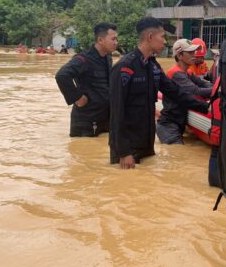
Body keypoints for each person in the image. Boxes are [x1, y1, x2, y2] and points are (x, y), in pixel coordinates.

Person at [109, 17, 208, 169]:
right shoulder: (124, 68)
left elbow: (175, 92)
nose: (164, 41)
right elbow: (116, 112)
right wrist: (123, 152)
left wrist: (206, 107)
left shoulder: (152, 66)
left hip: (147, 142)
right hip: (128, 148)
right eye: (162, 36)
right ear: (150, 37)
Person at [55, 23, 118, 137]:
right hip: (86, 121)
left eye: (116, 39)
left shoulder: (108, 58)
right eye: (113, 39)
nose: (116, 42)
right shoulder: (84, 58)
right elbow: (62, 75)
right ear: (100, 40)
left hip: (104, 118)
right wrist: (77, 98)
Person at [156, 39, 212, 145]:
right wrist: (218, 91)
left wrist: (216, 87)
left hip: (178, 124)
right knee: (177, 153)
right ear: (180, 56)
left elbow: (204, 84)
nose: (194, 55)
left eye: (194, 52)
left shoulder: (188, 72)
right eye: (190, 52)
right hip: (169, 126)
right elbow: (196, 91)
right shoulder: (176, 74)